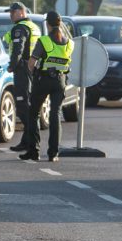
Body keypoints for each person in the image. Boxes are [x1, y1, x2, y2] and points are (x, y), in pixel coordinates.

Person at [20, 11, 74, 162]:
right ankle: (53, 153)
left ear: (47, 24)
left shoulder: (44, 41)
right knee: (55, 115)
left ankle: (33, 151)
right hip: (60, 81)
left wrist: (33, 74)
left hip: (43, 80)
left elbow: (31, 63)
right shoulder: (69, 43)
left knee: (33, 114)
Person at [3, 2, 41, 152]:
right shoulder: (34, 27)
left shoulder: (20, 28)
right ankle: (27, 141)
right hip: (32, 69)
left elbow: (18, 50)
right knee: (27, 105)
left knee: (23, 107)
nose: (10, 15)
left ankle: (32, 140)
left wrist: (12, 66)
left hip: (23, 70)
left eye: (12, 12)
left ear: (20, 12)